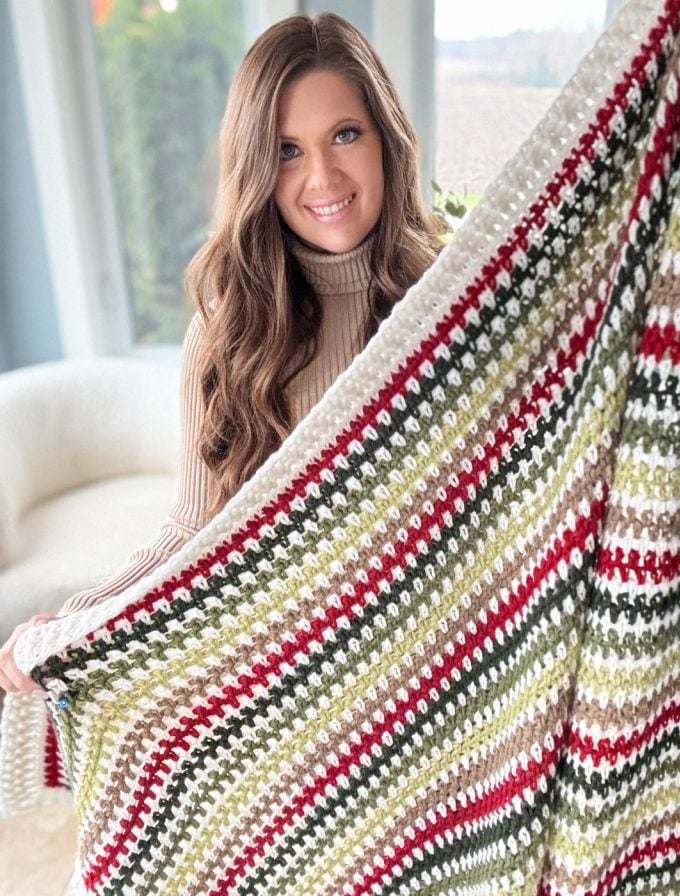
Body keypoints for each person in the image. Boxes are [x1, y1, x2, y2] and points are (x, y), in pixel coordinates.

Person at [0, 12, 443, 696]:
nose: (322, 176)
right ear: (257, 166)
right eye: (287, 150)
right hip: (304, 667)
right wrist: (71, 624)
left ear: (386, 139)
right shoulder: (230, 332)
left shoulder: (453, 294)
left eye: (345, 135)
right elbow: (191, 530)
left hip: (446, 647)